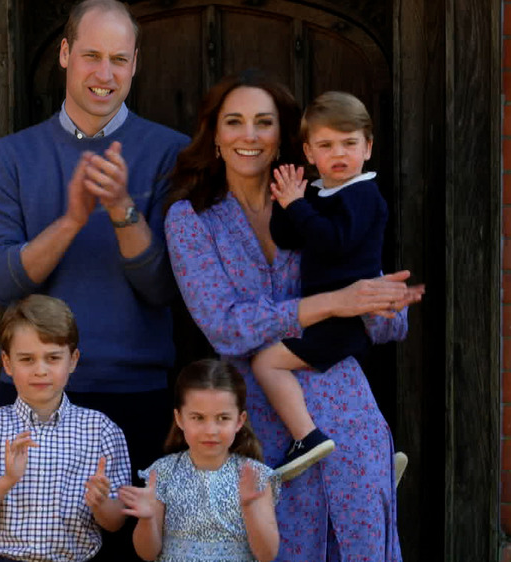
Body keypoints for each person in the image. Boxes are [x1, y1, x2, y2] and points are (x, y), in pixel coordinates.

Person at [164, 70, 423, 561]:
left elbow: (383, 317)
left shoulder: (323, 200)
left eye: (263, 122)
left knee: (361, 546)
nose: (249, 135)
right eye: (234, 122)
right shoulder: (192, 219)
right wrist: (330, 303)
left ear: (282, 136)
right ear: (215, 136)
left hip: (347, 410)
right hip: (257, 422)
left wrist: (385, 303)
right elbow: (224, 324)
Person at [0, 1, 189, 558]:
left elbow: (168, 287)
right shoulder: (11, 157)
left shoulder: (171, 154)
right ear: (65, 54)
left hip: (136, 396)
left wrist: (120, 209)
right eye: (91, 55)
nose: (104, 73)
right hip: (33, 398)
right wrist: (71, 220)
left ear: (136, 64)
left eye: (119, 59)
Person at [250, 91, 393, 481]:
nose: (339, 154)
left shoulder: (364, 194)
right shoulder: (320, 192)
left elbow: (334, 242)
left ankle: (306, 437)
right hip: (325, 314)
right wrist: (286, 201)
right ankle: (371, 459)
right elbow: (288, 237)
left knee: (266, 362)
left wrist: (299, 205)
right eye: (326, 145)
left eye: (349, 143)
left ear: (368, 147)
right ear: (310, 154)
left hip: (344, 320)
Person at [0, 294, 131, 562]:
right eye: (27, 359)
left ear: (73, 360)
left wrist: (101, 503)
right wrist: (6, 481)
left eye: (53, 358)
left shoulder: (101, 431)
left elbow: (116, 523)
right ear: (7, 363)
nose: (41, 370)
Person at [119, 359, 279, 562]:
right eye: (198, 418)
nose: (210, 430)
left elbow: (267, 555)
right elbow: (147, 553)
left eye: (223, 418)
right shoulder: (162, 473)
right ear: (179, 419)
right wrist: (147, 519)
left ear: (239, 421)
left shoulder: (255, 476)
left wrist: (249, 508)